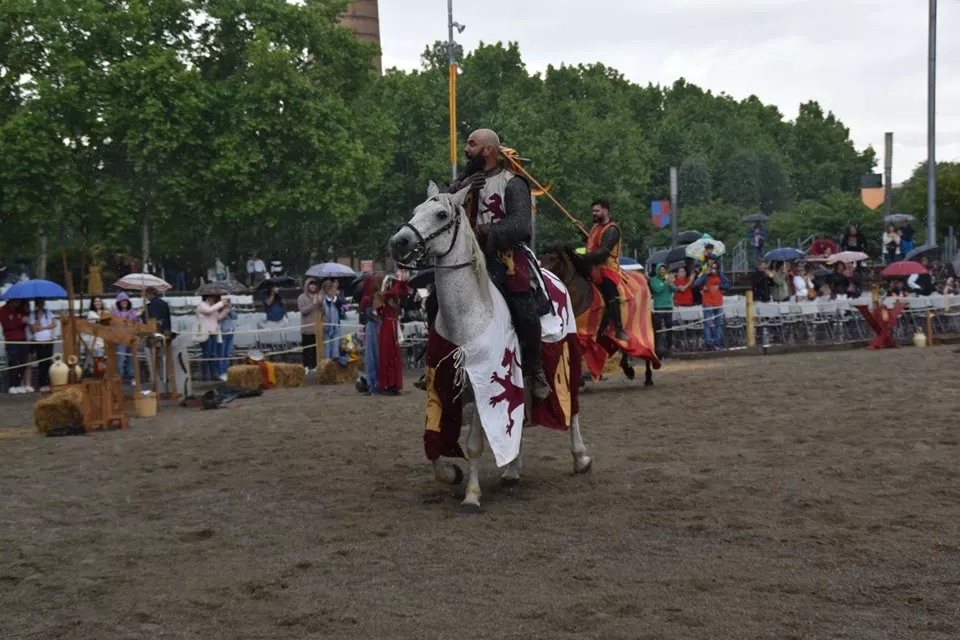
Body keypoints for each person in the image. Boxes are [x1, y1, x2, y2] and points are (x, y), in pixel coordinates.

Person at [453, 128, 550, 399]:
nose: (466, 149)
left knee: (524, 306)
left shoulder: (513, 183)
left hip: (504, 255)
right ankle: (440, 363)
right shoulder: (463, 184)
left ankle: (534, 369)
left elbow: (519, 225)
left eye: (472, 144)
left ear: (488, 150)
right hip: (468, 257)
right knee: (438, 299)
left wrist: (484, 231)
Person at [580, 199, 630, 342]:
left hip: (607, 267)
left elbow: (603, 252)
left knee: (610, 291)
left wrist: (582, 258)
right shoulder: (595, 227)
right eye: (593, 211)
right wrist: (581, 230)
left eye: (597, 211)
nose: (594, 213)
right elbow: (592, 243)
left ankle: (619, 328)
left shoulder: (612, 230)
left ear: (606, 211)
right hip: (593, 266)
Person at [377, 275, 410, 396]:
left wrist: (403, 283)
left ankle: (395, 384)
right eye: (387, 283)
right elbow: (392, 293)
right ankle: (386, 385)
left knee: (395, 355)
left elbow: (405, 292)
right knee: (387, 355)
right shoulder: (381, 295)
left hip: (394, 327)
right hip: (386, 327)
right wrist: (398, 283)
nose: (388, 285)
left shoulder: (394, 296)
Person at [695, 261, 730, 351]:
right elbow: (696, 283)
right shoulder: (705, 275)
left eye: (715, 268)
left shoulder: (721, 275)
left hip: (718, 302)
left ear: (717, 268)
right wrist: (704, 275)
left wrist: (720, 286)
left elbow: (728, 284)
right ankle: (708, 343)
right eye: (712, 268)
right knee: (707, 323)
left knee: (719, 324)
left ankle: (717, 342)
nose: (713, 270)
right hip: (707, 302)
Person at [196, 294, 231, 382]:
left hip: (213, 333)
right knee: (206, 354)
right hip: (205, 333)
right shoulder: (202, 305)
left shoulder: (213, 307)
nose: (215, 299)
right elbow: (208, 311)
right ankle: (205, 375)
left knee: (213, 355)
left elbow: (218, 317)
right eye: (213, 297)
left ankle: (213, 374)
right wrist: (221, 303)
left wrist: (226, 310)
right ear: (208, 297)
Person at [359, 275, 384, 395]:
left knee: (377, 355)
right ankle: (373, 384)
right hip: (372, 328)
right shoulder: (367, 299)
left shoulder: (379, 297)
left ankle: (378, 383)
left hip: (377, 327)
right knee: (372, 356)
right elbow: (366, 316)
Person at [1, 299, 31, 394]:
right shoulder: (3, 310)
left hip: (22, 339)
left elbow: (25, 323)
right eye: (16, 300)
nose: (18, 302)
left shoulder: (22, 309)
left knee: (22, 362)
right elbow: (6, 325)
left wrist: (25, 318)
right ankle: (12, 385)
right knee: (13, 362)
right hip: (11, 340)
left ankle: (19, 384)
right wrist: (19, 321)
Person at [649, 264, 677, 357]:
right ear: (657, 270)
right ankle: (658, 347)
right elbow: (657, 290)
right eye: (660, 269)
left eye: (664, 269)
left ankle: (669, 346)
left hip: (669, 306)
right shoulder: (654, 280)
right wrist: (666, 282)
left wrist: (671, 283)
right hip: (659, 307)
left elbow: (675, 289)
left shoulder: (668, 279)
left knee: (669, 326)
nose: (662, 271)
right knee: (658, 327)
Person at [112, 292, 140, 384]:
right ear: (118, 302)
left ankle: (132, 377)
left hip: (131, 338)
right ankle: (119, 378)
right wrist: (127, 316)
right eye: (122, 301)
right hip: (121, 339)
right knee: (120, 358)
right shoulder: (115, 311)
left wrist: (137, 316)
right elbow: (116, 323)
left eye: (126, 300)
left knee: (131, 358)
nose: (124, 302)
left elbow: (137, 322)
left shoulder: (132, 311)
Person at [298, 279, 322, 372]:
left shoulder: (318, 296)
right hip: (306, 328)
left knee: (315, 349)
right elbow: (303, 311)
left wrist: (321, 304)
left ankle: (315, 366)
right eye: (311, 285)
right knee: (307, 349)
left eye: (314, 285)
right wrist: (313, 304)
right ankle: (306, 366)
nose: (313, 287)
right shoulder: (301, 298)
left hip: (317, 328)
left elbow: (321, 311)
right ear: (307, 286)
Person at [320, 280, 343, 361]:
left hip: (336, 326)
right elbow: (320, 313)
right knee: (327, 346)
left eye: (333, 289)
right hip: (326, 327)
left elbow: (346, 307)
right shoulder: (323, 300)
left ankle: (335, 363)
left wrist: (339, 300)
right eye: (329, 290)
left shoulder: (337, 300)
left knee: (335, 345)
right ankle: (327, 363)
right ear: (326, 290)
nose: (332, 291)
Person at [218, 296, 238, 381]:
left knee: (227, 353)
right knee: (221, 353)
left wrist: (230, 309)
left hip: (230, 331)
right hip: (222, 332)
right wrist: (223, 309)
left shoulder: (230, 309)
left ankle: (226, 371)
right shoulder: (218, 308)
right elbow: (218, 318)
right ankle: (221, 372)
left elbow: (235, 317)